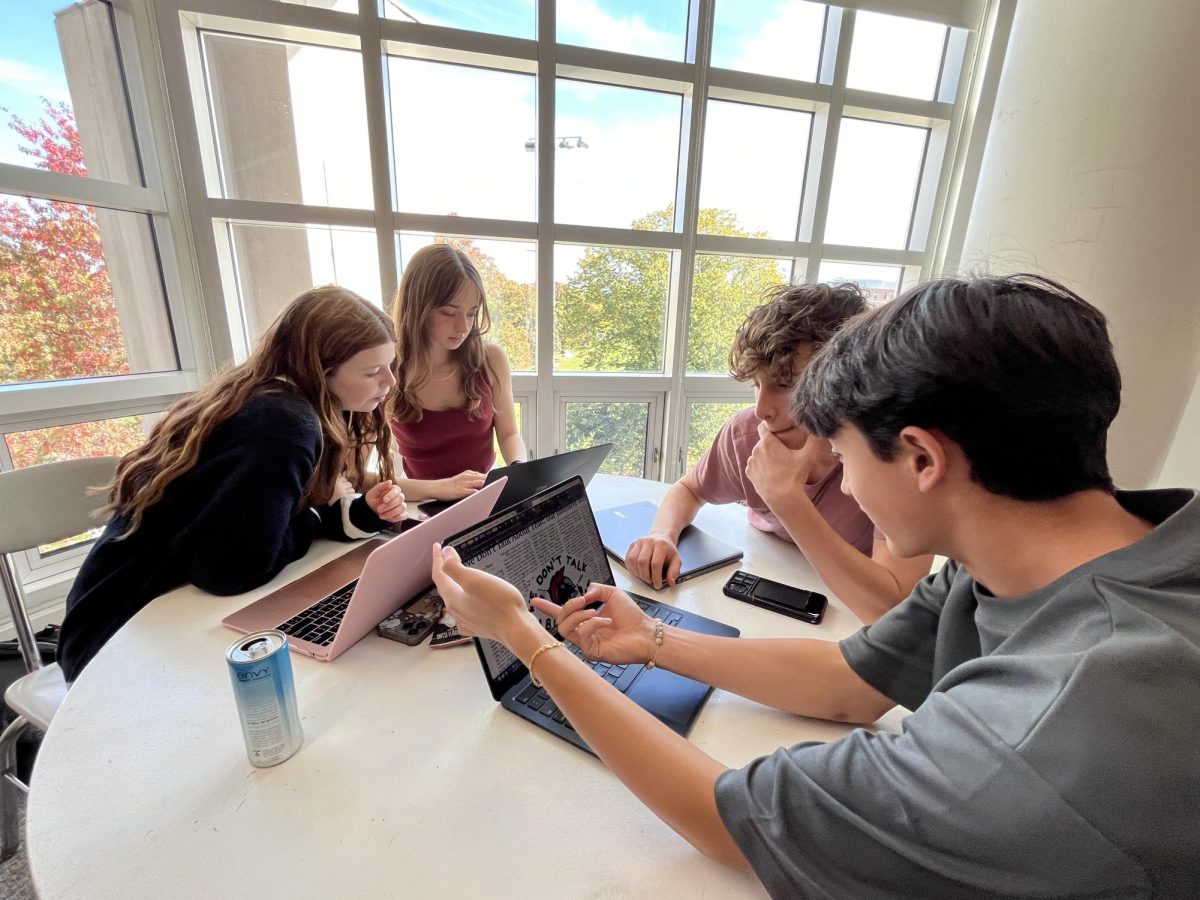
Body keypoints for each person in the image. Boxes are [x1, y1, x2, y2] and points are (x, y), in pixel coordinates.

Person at [431, 273, 1200, 897]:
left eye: (841, 445)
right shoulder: (1017, 560)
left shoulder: (1041, 739)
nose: (841, 475)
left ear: (923, 459)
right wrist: (653, 641)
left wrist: (527, 642)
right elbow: (851, 681)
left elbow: (729, 820)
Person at [58, 286, 406, 681]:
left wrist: (355, 514)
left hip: (145, 616)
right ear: (320, 370)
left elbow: (257, 517)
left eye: (390, 365)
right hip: (113, 643)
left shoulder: (268, 396)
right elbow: (232, 570)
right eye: (372, 371)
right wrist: (311, 521)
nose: (390, 381)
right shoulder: (284, 424)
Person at [625, 283, 932, 623]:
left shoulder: (890, 459)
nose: (761, 409)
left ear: (846, 380)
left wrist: (787, 501)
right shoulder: (746, 435)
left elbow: (893, 610)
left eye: (785, 385)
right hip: (764, 578)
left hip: (847, 608)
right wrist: (662, 534)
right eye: (756, 384)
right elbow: (690, 488)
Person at [389, 243, 526, 501]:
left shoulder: (490, 359)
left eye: (472, 314)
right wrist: (440, 489)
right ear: (419, 308)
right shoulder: (389, 369)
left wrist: (519, 469)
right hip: (422, 506)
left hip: (482, 498)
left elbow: (509, 434)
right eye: (449, 313)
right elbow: (367, 478)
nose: (463, 327)